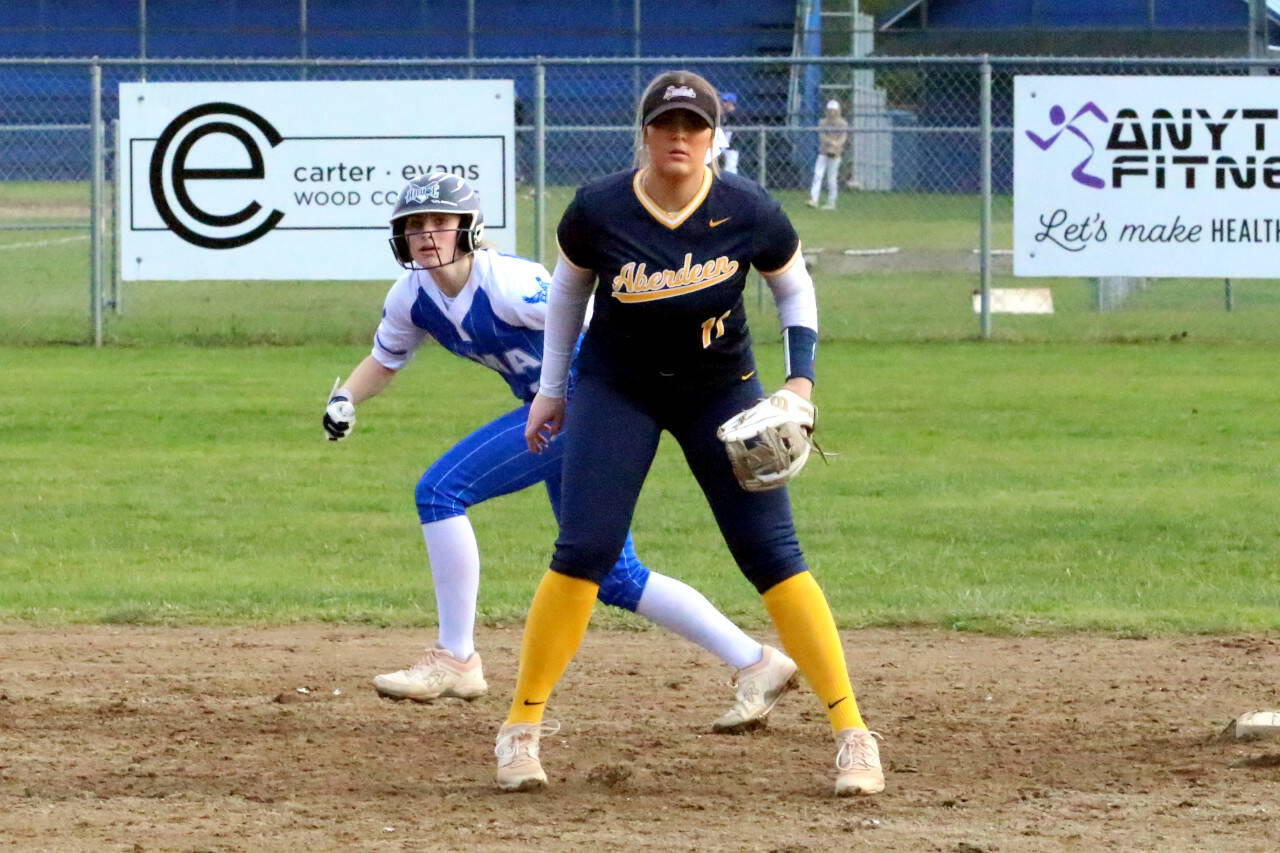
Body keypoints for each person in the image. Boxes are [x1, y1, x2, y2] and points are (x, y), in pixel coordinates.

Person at [495, 71, 884, 797]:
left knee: (773, 553)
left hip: (721, 389)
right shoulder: (599, 209)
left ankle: (853, 730)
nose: (680, 137)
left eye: (695, 126)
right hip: (619, 387)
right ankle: (520, 728)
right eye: (667, 123)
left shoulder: (747, 209)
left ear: (713, 137)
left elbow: (792, 285)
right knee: (584, 549)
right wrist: (553, 389)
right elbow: (570, 290)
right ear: (643, 130)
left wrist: (800, 378)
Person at [322, 171, 798, 734]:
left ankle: (456, 658)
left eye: (438, 222)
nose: (426, 234)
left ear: (468, 229)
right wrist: (345, 395)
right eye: (415, 225)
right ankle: (758, 662)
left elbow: (598, 324)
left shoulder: (509, 283)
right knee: (616, 576)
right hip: (550, 411)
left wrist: (611, 405)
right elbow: (386, 357)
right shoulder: (412, 297)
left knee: (440, 491)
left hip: (586, 403)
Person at [808, 99, 847, 210]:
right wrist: (830, 143)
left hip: (836, 153)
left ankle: (831, 202)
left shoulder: (842, 123)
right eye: (830, 110)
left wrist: (835, 145)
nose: (831, 113)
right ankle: (814, 199)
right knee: (818, 175)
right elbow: (822, 136)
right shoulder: (823, 122)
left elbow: (843, 137)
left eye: (833, 110)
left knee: (832, 179)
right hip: (823, 152)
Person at [712, 91, 740, 174]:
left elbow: (730, 130)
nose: (722, 104)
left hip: (732, 145)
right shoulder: (723, 115)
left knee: (730, 167)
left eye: (724, 102)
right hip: (722, 143)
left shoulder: (735, 114)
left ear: (731, 103)